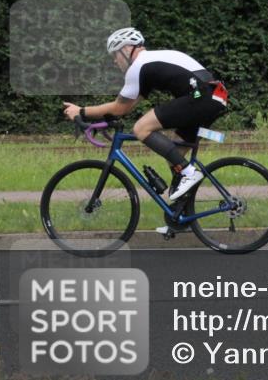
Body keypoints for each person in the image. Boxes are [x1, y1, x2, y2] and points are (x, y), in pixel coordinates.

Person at [62, 27, 228, 235]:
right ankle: (180, 218)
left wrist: (81, 111)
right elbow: (127, 106)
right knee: (175, 156)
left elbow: (119, 107)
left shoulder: (139, 66)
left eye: (115, 54)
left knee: (141, 128)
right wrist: (106, 119)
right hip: (211, 96)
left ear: (126, 49)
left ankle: (189, 173)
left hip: (200, 97)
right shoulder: (149, 64)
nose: (114, 61)